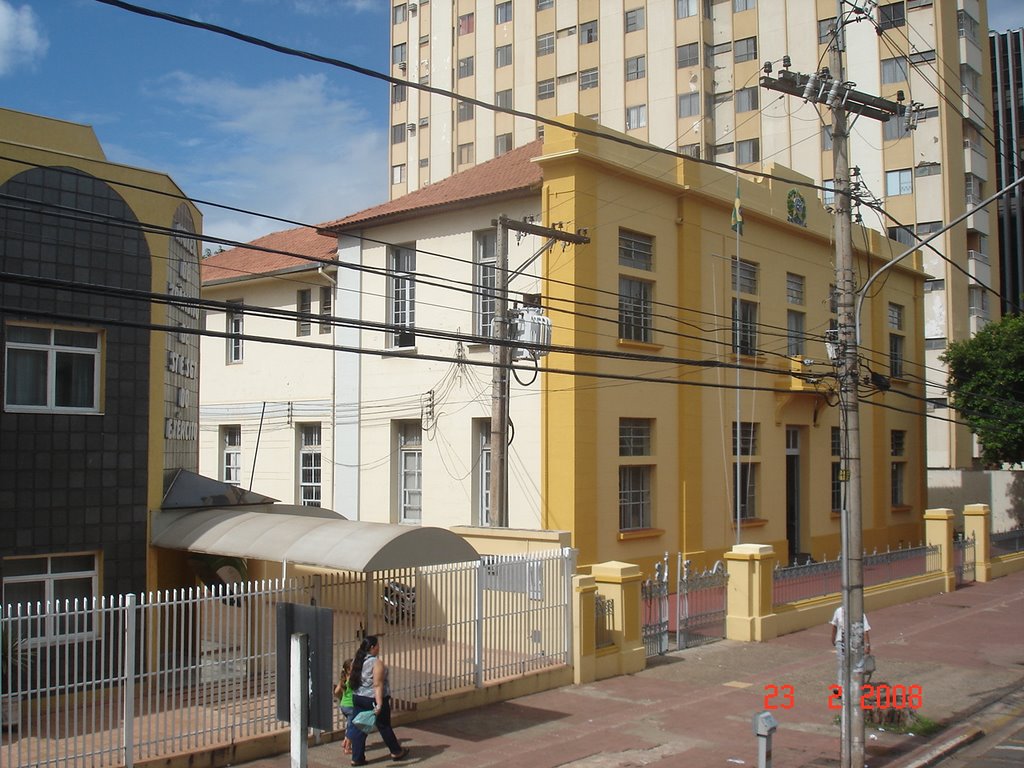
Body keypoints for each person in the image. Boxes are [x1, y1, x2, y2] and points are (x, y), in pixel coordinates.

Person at [346, 635, 409, 766]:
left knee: (360, 727)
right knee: (384, 725)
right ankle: (396, 751)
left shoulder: (357, 661)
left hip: (358, 697)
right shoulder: (376, 663)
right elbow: (377, 684)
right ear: (372, 647)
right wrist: (379, 703)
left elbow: (353, 679)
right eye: (378, 645)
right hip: (372, 699)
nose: (379, 648)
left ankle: (357, 758)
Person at [829, 605, 871, 688]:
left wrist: (867, 645)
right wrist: (833, 638)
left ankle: (853, 685)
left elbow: (865, 630)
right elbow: (834, 626)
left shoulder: (859, 614)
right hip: (841, 642)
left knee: (854, 664)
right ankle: (840, 686)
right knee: (842, 664)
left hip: (855, 644)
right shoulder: (838, 611)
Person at [334, 659, 355, 755]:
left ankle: (344, 741)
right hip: (351, 707)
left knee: (349, 724)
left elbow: (336, 692)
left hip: (343, 705)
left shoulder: (343, 679)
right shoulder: (353, 679)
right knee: (352, 728)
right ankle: (347, 747)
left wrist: (342, 697)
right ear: (348, 669)